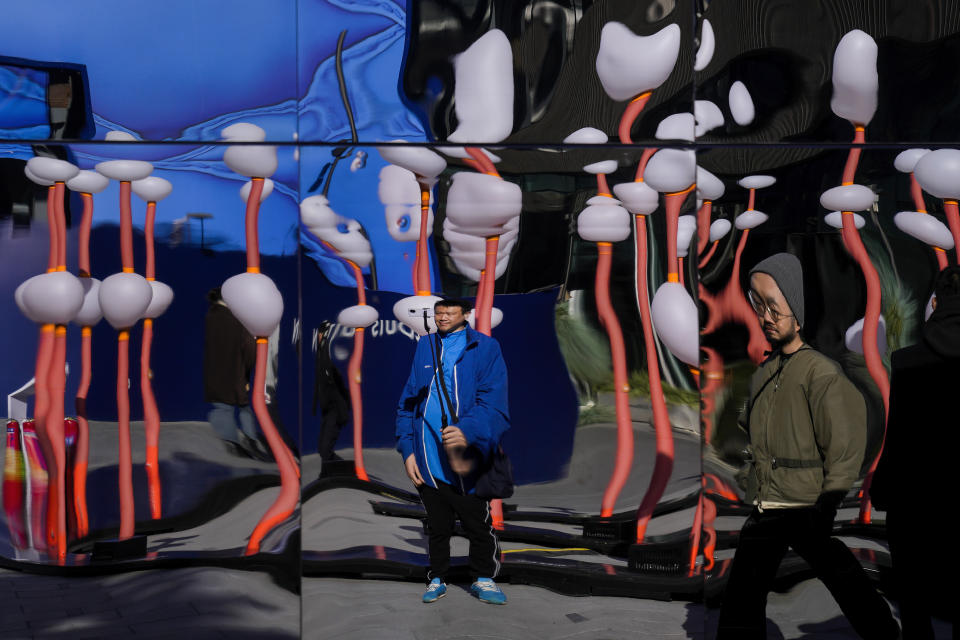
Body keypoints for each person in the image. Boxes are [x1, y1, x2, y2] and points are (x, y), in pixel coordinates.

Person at [717, 253, 900, 640]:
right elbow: (754, 425)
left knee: (845, 580)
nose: (765, 317)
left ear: (796, 310)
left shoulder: (821, 372)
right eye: (759, 305)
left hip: (806, 504)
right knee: (742, 596)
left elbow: (844, 441)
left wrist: (830, 500)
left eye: (774, 307)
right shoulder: (765, 372)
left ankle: (884, 633)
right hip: (769, 502)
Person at [395, 298, 510, 605]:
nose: (443, 317)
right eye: (439, 312)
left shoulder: (486, 348)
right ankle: (437, 577)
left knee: (477, 524)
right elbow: (407, 402)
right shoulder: (425, 345)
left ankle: (483, 578)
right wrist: (408, 451)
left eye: (450, 312)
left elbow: (496, 407)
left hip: (466, 460)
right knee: (437, 526)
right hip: (427, 458)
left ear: (466, 314)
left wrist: (466, 430)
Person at [871, 266, 959, 639]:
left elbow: (900, 437)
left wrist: (882, 489)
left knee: (914, 604)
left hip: (916, 502)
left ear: (934, 302)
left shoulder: (907, 362)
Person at [202, 287, 268, 460]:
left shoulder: (210, 317)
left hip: (214, 375)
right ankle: (250, 440)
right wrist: (247, 372)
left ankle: (231, 443)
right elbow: (250, 348)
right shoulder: (237, 319)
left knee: (222, 408)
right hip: (236, 373)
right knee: (244, 408)